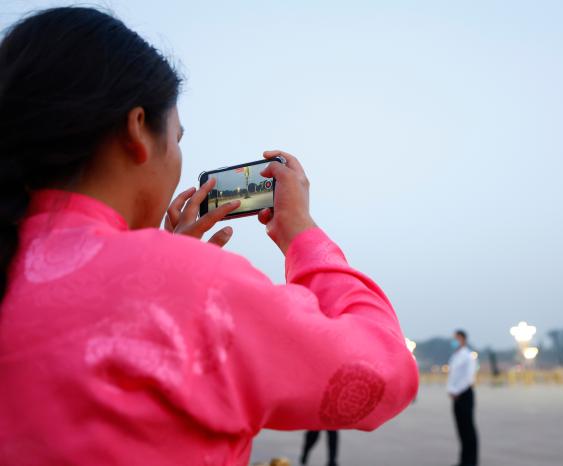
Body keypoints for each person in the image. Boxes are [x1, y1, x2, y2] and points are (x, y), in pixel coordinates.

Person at [0, 7, 419, 465]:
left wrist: (158, 260)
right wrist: (302, 233)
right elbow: (383, 373)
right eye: (177, 137)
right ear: (137, 129)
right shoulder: (195, 286)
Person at [447, 330, 478, 466]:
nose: (454, 341)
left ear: (463, 339)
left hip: (464, 394)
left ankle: (471, 461)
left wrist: (456, 391)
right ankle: (464, 460)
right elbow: (453, 377)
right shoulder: (455, 356)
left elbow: (468, 378)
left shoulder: (467, 356)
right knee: (461, 430)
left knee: (468, 429)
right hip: (456, 396)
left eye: (456, 338)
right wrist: (451, 390)